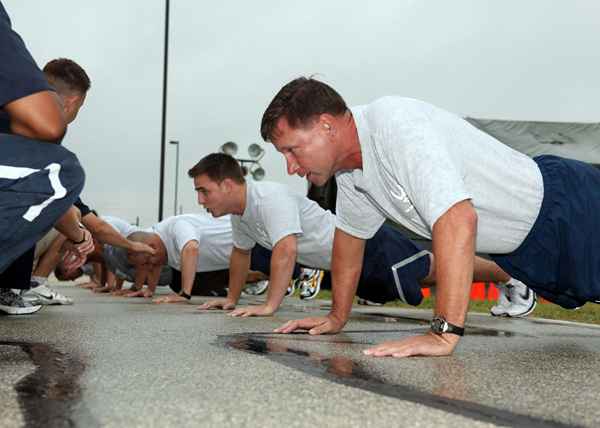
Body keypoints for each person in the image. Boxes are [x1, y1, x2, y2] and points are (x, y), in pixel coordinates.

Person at [260, 76, 600, 358]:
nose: (290, 167)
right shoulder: (350, 174)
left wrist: (444, 332)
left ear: (326, 125)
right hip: (526, 251)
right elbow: (349, 243)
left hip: (569, 209)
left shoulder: (393, 124)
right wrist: (336, 317)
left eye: (292, 150)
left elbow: (457, 219)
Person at [192, 153, 527, 318]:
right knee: (423, 276)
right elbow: (240, 254)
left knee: (431, 268)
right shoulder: (242, 213)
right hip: (346, 265)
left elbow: (286, 251)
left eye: (205, 192)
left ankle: (512, 275)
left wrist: (269, 307)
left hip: (368, 244)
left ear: (228, 184)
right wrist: (232, 299)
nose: (200, 201)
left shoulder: (269, 198)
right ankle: (507, 276)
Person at [21, 59, 154, 305]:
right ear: (72, 103)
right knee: (67, 214)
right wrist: (81, 237)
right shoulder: (47, 147)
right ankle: (24, 284)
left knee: (67, 213)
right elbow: (94, 225)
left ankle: (19, 282)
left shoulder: (13, 115)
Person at [0, 3, 92, 315]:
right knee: (61, 172)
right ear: (73, 101)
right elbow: (47, 125)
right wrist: (81, 239)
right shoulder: (26, 113)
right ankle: (9, 288)